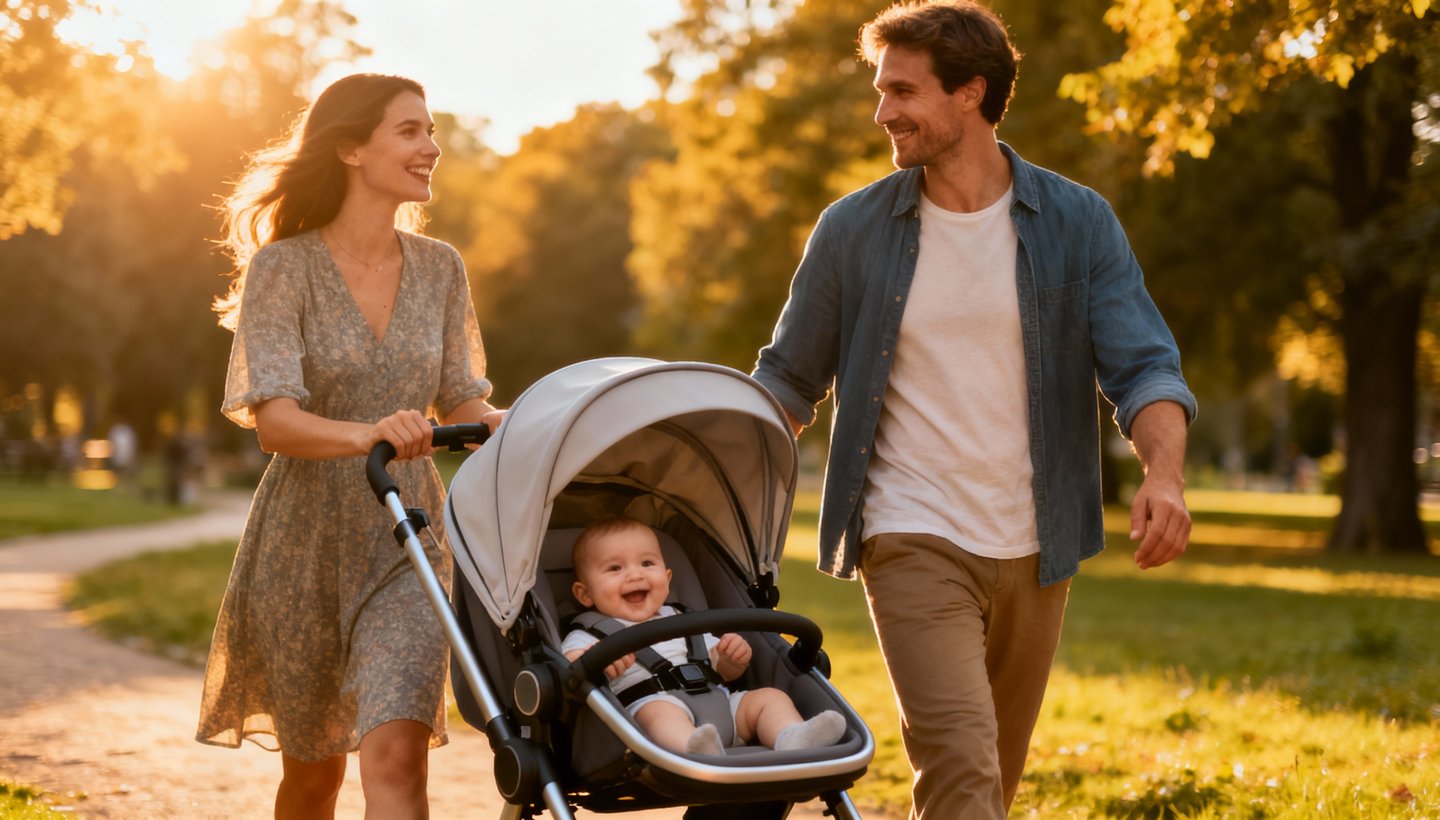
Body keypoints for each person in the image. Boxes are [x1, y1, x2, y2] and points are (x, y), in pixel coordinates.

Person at [750, 2, 1197, 817]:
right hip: (910, 532)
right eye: (880, 90)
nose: (883, 111)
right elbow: (785, 382)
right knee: (961, 767)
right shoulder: (853, 230)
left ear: (971, 93)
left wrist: (1163, 476)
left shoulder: (1076, 221)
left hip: (1038, 542)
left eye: (903, 91)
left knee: (990, 778)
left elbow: (1145, 366)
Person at [196, 73, 503, 819]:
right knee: (313, 779)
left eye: (431, 131)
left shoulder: (441, 269)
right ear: (349, 149)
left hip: (409, 544)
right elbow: (275, 421)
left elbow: (464, 399)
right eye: (410, 131)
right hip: (301, 546)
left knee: (396, 757)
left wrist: (533, 426)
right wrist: (368, 432)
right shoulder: (284, 269)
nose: (432, 147)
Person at [561, 517, 846, 756]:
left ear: (668, 578)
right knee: (658, 713)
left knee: (769, 698)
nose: (635, 575)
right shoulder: (591, 630)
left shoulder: (684, 619)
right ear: (584, 594)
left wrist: (731, 659)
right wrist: (594, 659)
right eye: (615, 568)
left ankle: (791, 738)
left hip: (723, 706)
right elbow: (569, 668)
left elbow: (721, 669)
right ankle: (692, 748)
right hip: (655, 706)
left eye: (647, 563)